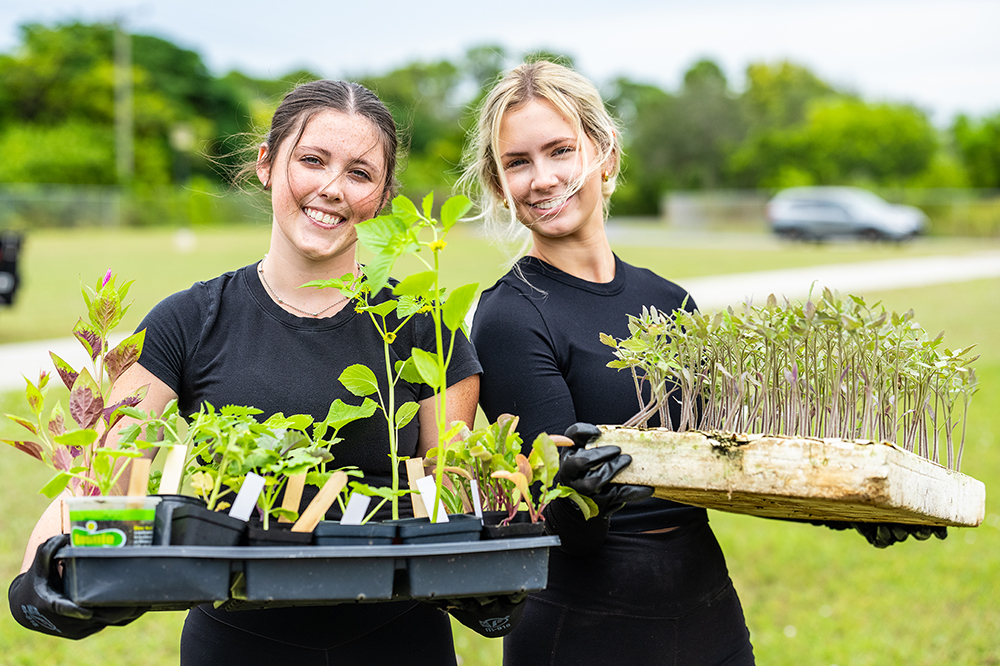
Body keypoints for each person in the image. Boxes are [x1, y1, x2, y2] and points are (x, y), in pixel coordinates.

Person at [9, 79, 481, 666]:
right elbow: (98, 484)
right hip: (235, 644)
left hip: (400, 644)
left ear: (382, 197)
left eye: (360, 174)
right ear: (266, 164)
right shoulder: (188, 322)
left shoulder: (423, 328)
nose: (332, 189)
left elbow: (456, 505)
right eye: (312, 160)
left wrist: (488, 588)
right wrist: (42, 580)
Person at [461, 61, 757, 665]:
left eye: (560, 151)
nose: (542, 178)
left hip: (708, 609)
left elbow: (729, 467)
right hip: (582, 623)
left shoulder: (671, 301)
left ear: (606, 154)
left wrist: (852, 513)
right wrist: (577, 497)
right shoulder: (511, 316)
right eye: (518, 162)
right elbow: (566, 528)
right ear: (499, 185)